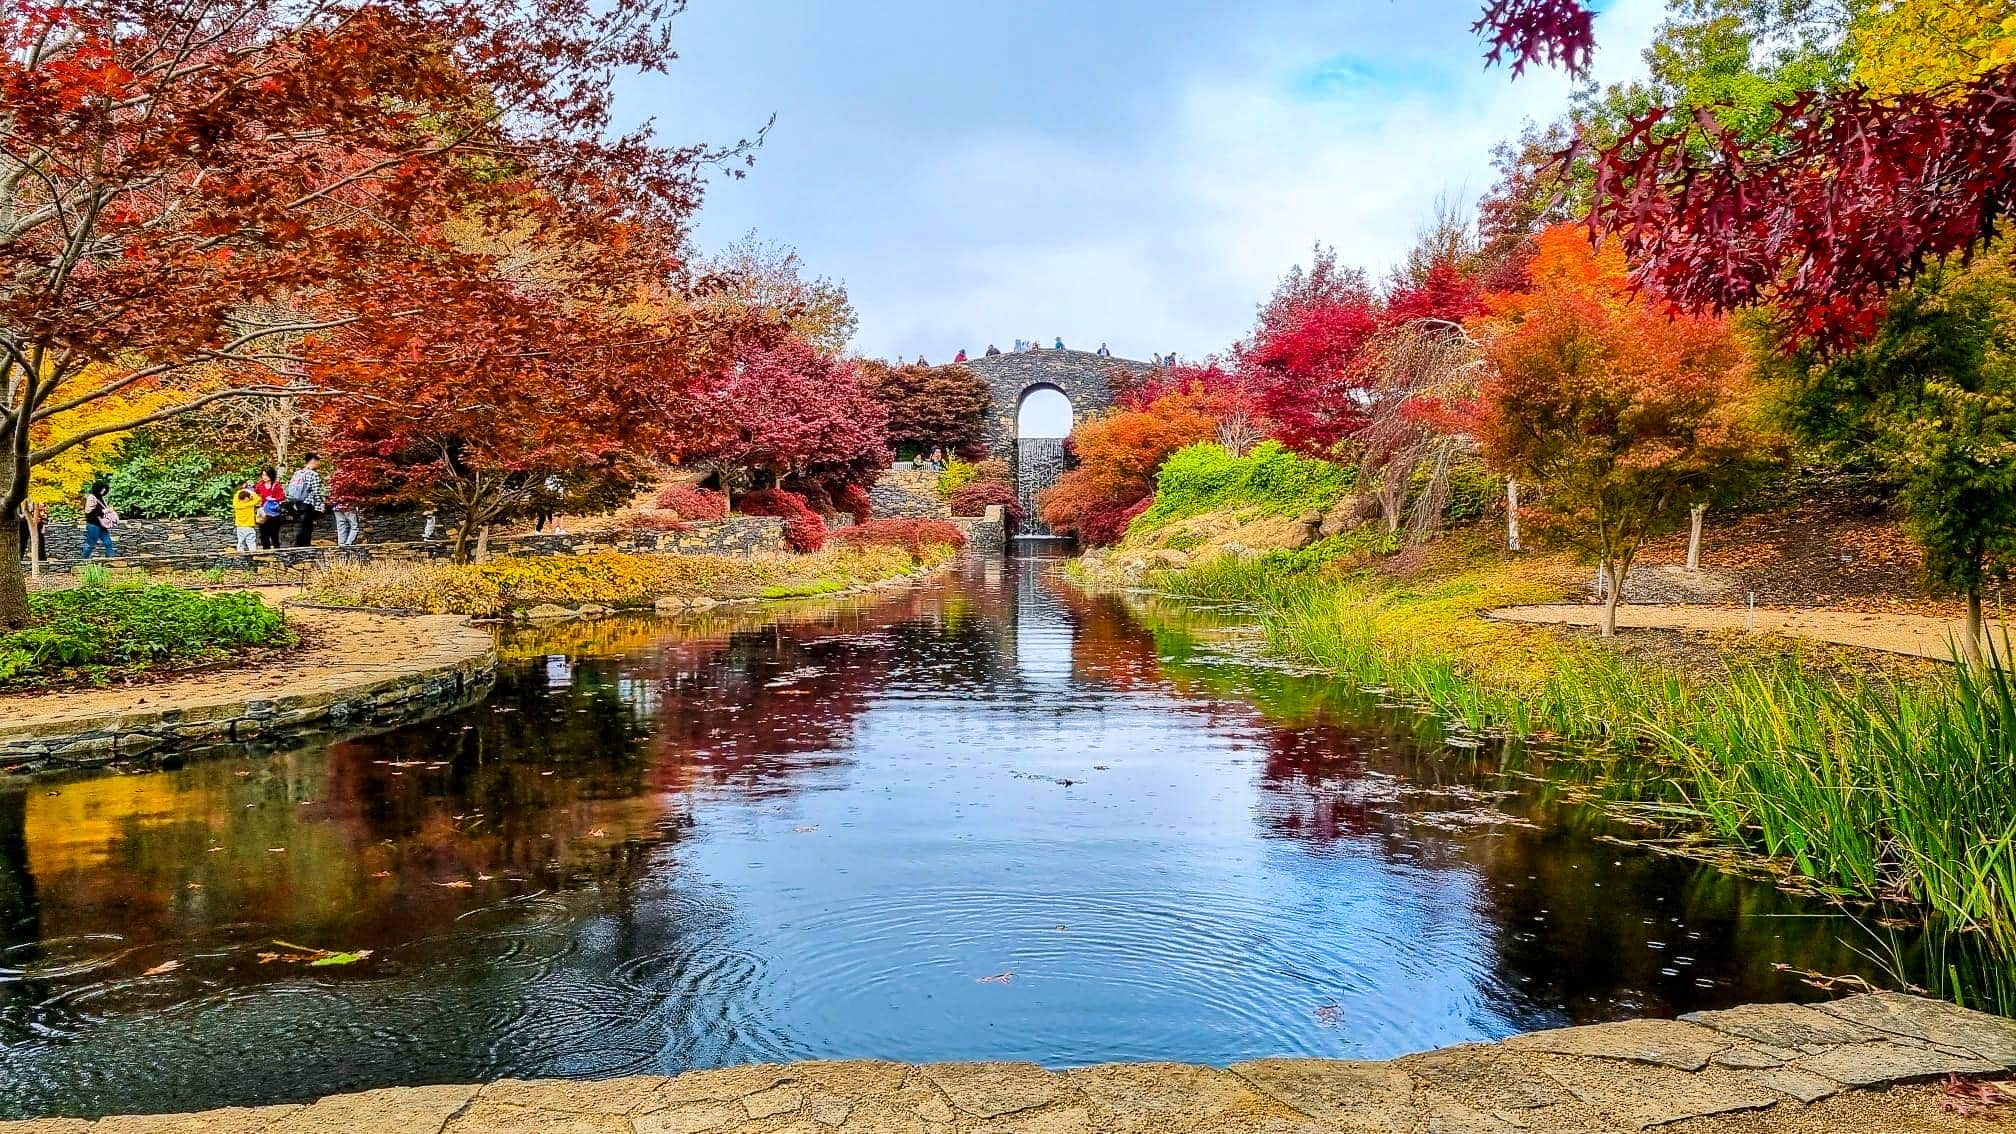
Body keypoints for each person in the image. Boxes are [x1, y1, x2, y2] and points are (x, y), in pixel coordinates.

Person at [285, 453, 327, 547]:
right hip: (308, 503)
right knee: (307, 526)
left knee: (302, 524)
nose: (318, 463)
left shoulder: (297, 473)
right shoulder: (313, 474)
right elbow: (316, 492)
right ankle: (303, 547)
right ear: (313, 461)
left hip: (298, 502)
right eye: (317, 461)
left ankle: (299, 546)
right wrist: (320, 505)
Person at [81, 480, 115, 559]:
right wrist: (105, 511)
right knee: (91, 544)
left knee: (108, 542)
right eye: (102, 489)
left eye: (105, 489)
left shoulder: (101, 498)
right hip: (93, 524)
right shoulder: (91, 498)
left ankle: (112, 559)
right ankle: (82, 560)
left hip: (102, 524)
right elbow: (89, 513)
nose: (103, 491)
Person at [253, 468, 286, 549]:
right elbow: (254, 493)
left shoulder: (276, 485)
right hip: (264, 512)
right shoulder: (260, 486)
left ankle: (277, 550)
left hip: (274, 513)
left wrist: (273, 499)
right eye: (263, 475)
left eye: (266, 475)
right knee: (264, 534)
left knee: (274, 534)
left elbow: (282, 496)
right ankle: (266, 551)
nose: (264, 477)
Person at [231, 482, 261, 554]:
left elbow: (236, 496)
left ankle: (240, 554)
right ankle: (253, 553)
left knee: (240, 541)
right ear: (246, 498)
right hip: (248, 526)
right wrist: (249, 491)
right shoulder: (250, 504)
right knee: (251, 541)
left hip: (239, 526)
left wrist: (241, 490)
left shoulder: (236, 505)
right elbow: (257, 498)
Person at [16, 500, 47, 564]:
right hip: (23, 521)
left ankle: (42, 560)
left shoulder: (38, 496)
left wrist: (44, 523)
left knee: (40, 541)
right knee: (22, 541)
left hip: (37, 522)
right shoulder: (19, 496)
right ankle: (19, 559)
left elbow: (43, 509)